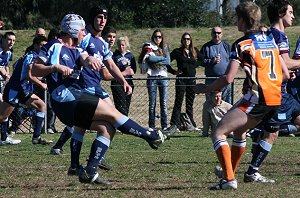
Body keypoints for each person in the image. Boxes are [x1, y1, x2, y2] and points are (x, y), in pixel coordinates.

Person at [33, 13, 167, 185]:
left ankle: (90, 170)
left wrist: (89, 60)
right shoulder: (54, 46)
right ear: (73, 30)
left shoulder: (78, 49)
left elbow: (85, 58)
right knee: (112, 113)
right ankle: (149, 134)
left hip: (75, 99)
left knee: (107, 128)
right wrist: (54, 67)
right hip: (64, 98)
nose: (84, 33)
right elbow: (35, 70)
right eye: (82, 30)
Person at [193, 1, 289, 190]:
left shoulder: (242, 44)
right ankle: (228, 175)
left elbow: (228, 78)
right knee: (239, 132)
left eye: (237, 18)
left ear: (243, 20)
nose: (236, 21)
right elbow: (284, 74)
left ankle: (229, 179)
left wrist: (205, 88)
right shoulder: (271, 40)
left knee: (219, 132)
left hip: (258, 97)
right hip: (275, 98)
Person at [0, 35, 51, 145]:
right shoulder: (31, 56)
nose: (44, 49)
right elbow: (29, 76)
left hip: (24, 89)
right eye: (42, 46)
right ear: (35, 45)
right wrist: (42, 84)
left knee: (41, 106)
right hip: (15, 88)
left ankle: (36, 137)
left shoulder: (36, 57)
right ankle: (3, 138)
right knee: (3, 116)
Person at [138, 29, 176, 131]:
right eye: (155, 36)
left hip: (163, 77)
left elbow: (168, 61)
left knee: (164, 103)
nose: (157, 39)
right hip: (152, 77)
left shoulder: (165, 47)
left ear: (162, 38)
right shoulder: (149, 46)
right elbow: (150, 59)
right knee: (152, 103)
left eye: (159, 37)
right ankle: (151, 126)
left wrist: (158, 58)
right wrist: (161, 58)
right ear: (153, 37)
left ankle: (164, 126)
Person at [169, 32, 200, 131]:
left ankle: (190, 124)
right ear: (182, 41)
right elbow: (166, 61)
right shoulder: (177, 51)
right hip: (181, 79)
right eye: (185, 39)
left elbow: (202, 61)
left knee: (189, 103)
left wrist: (194, 65)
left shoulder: (194, 51)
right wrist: (173, 71)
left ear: (191, 40)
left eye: (188, 39)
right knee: (178, 102)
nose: (186, 41)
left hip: (191, 79)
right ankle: (175, 124)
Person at [200, 26, 232, 104]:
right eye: (214, 33)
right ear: (211, 34)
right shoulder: (206, 47)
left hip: (224, 80)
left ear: (222, 34)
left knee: (226, 104)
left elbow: (233, 60)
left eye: (219, 33)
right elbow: (200, 62)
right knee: (210, 104)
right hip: (211, 80)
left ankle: (226, 117)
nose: (216, 34)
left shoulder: (226, 46)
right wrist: (211, 61)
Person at [111, 36, 136, 116]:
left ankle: (125, 121)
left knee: (126, 104)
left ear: (126, 45)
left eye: (123, 45)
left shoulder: (130, 56)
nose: (121, 47)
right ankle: (121, 122)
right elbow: (112, 68)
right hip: (117, 82)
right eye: (119, 45)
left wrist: (129, 71)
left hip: (128, 81)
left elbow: (133, 70)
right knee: (120, 105)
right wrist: (121, 65)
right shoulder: (115, 55)